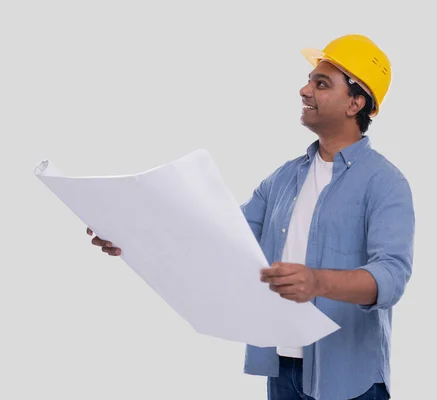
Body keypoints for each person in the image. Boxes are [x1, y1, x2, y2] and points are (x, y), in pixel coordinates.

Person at [88, 34, 415, 400]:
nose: (304, 90)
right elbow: (222, 239)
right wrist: (131, 236)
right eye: (309, 79)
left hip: (350, 378)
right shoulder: (284, 178)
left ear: (355, 103)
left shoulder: (385, 182)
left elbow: (391, 277)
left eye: (321, 83)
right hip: (283, 369)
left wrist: (318, 281)